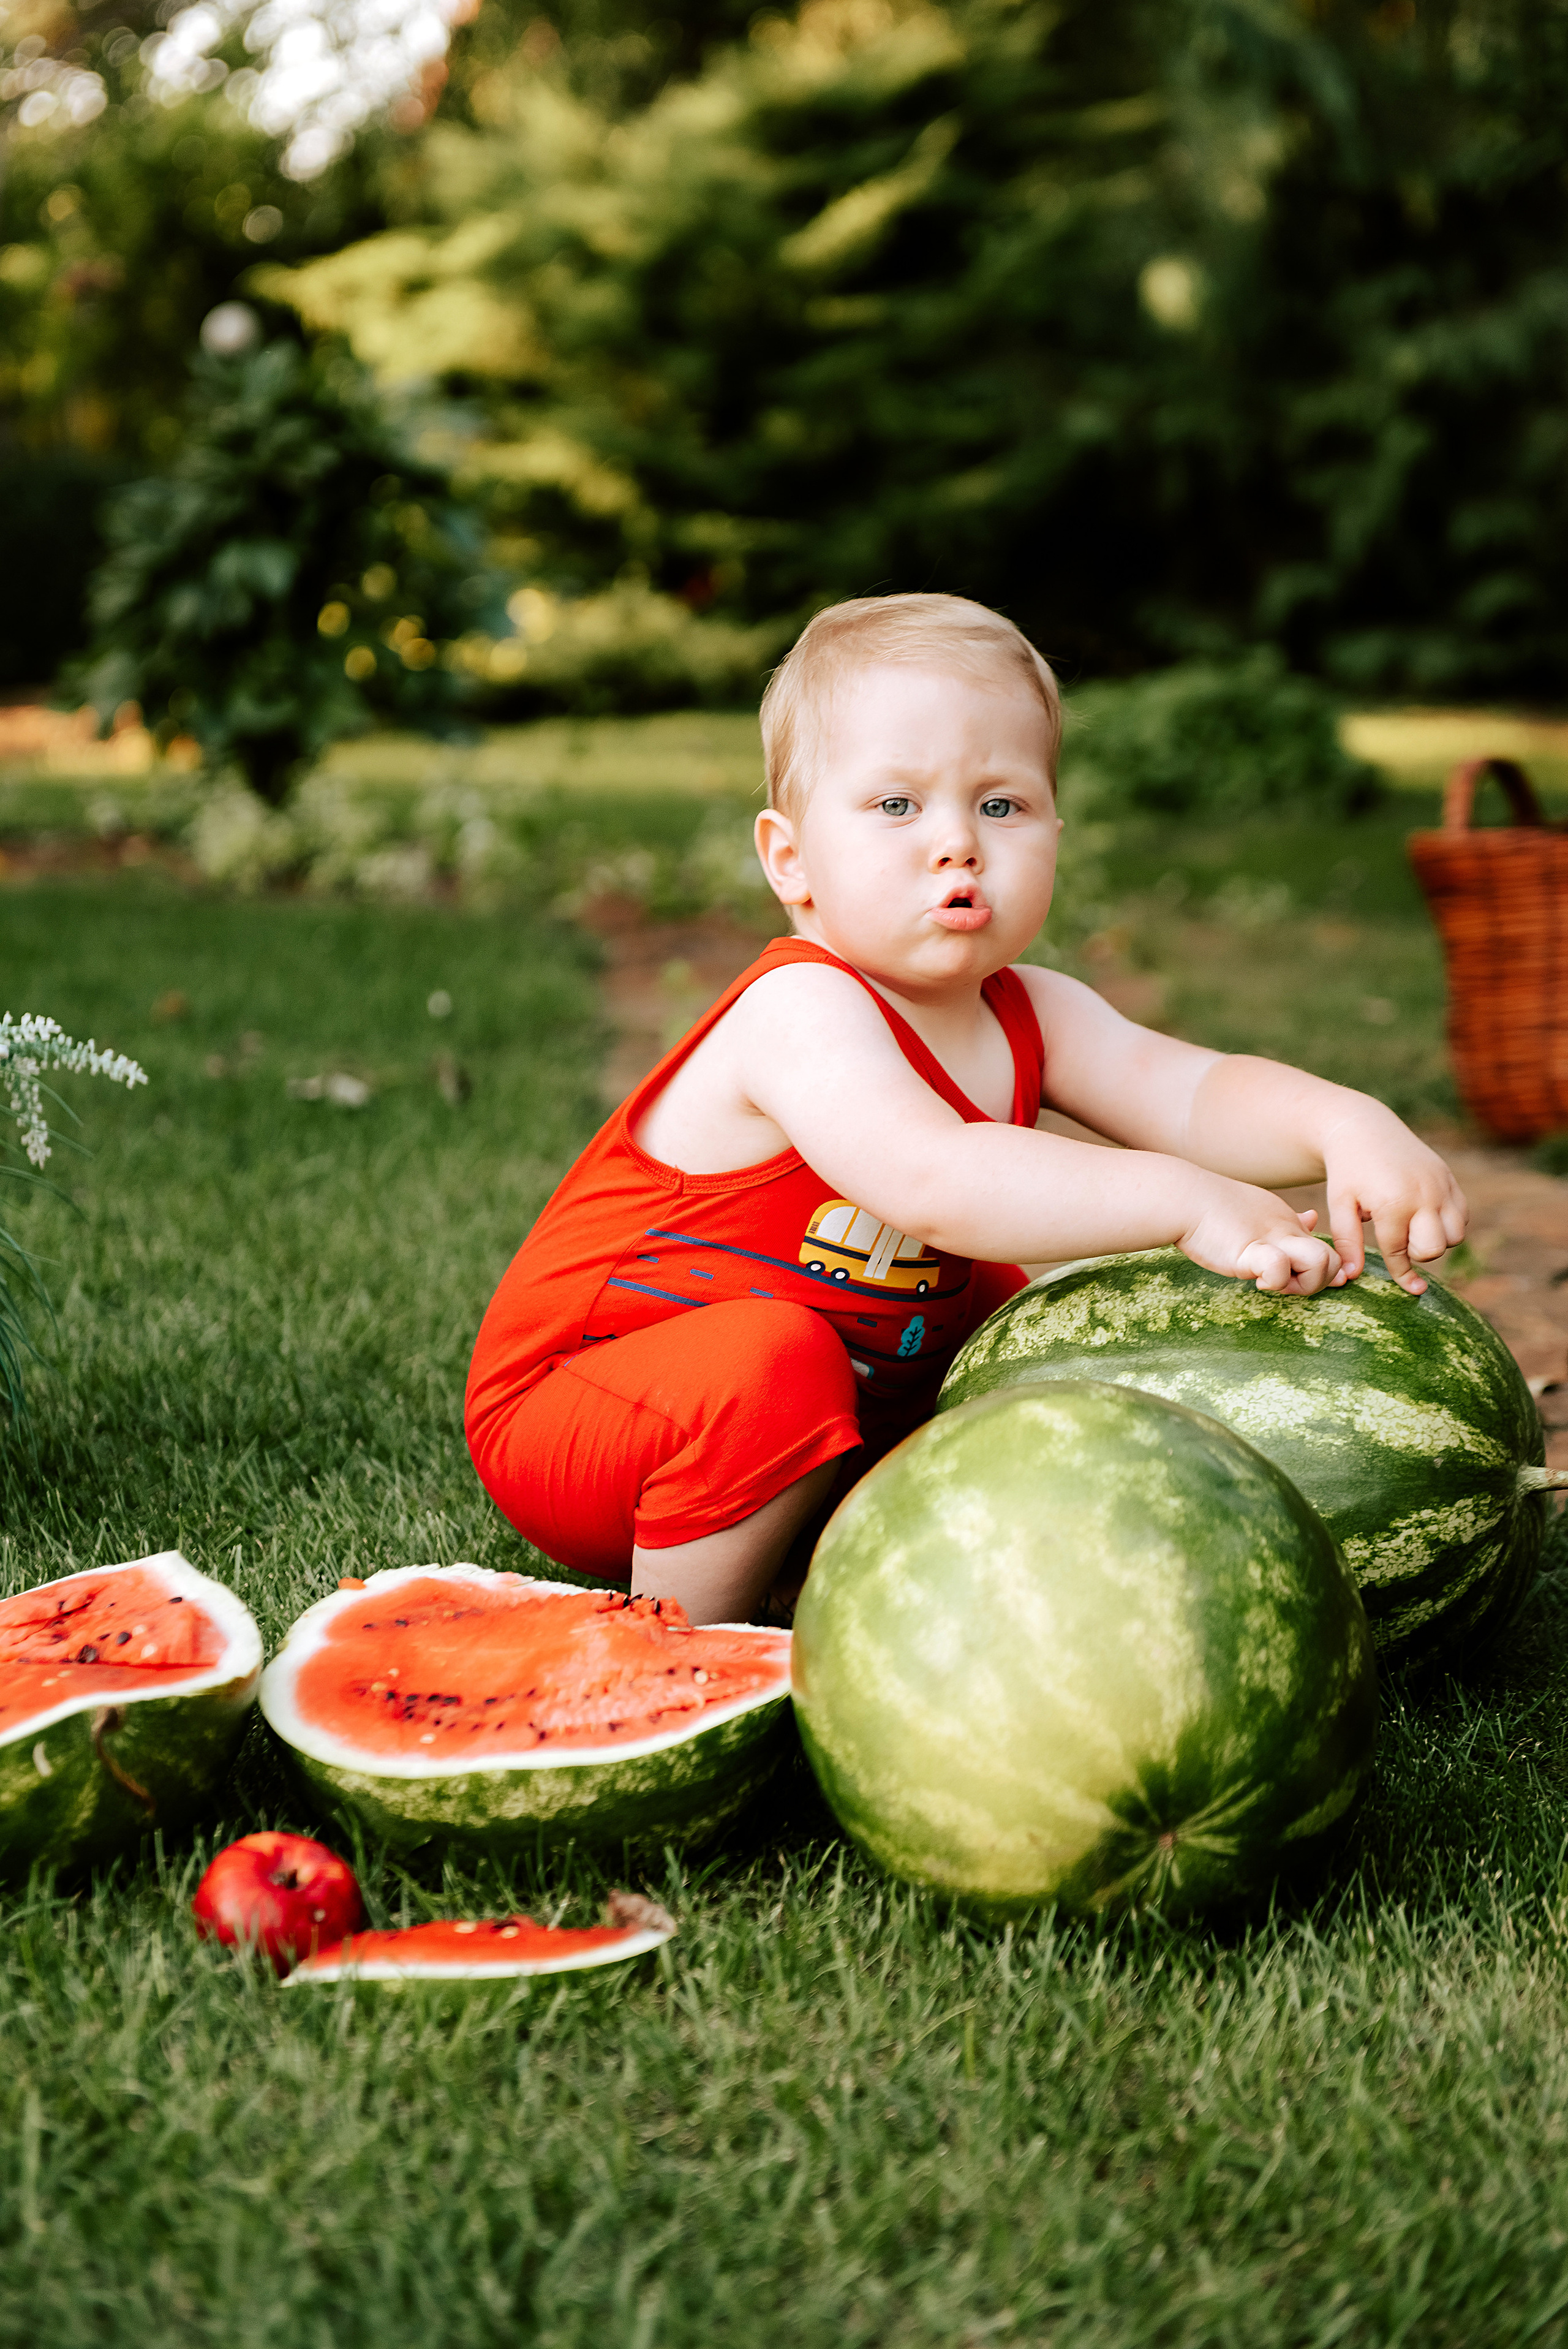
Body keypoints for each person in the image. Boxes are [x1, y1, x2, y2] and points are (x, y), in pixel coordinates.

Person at [466, 594, 1468, 1623]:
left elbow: (1192, 1087)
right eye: (897, 806)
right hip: (593, 1417)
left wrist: (1344, 1123)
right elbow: (935, 1179)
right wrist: (1188, 1199)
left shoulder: (1035, 1009)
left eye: (1001, 805)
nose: (958, 842)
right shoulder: (799, 1006)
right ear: (791, 860)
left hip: (832, 1412)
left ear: (1053, 833)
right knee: (774, 1358)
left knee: (1013, 1311)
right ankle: (694, 1652)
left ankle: (844, 1553)